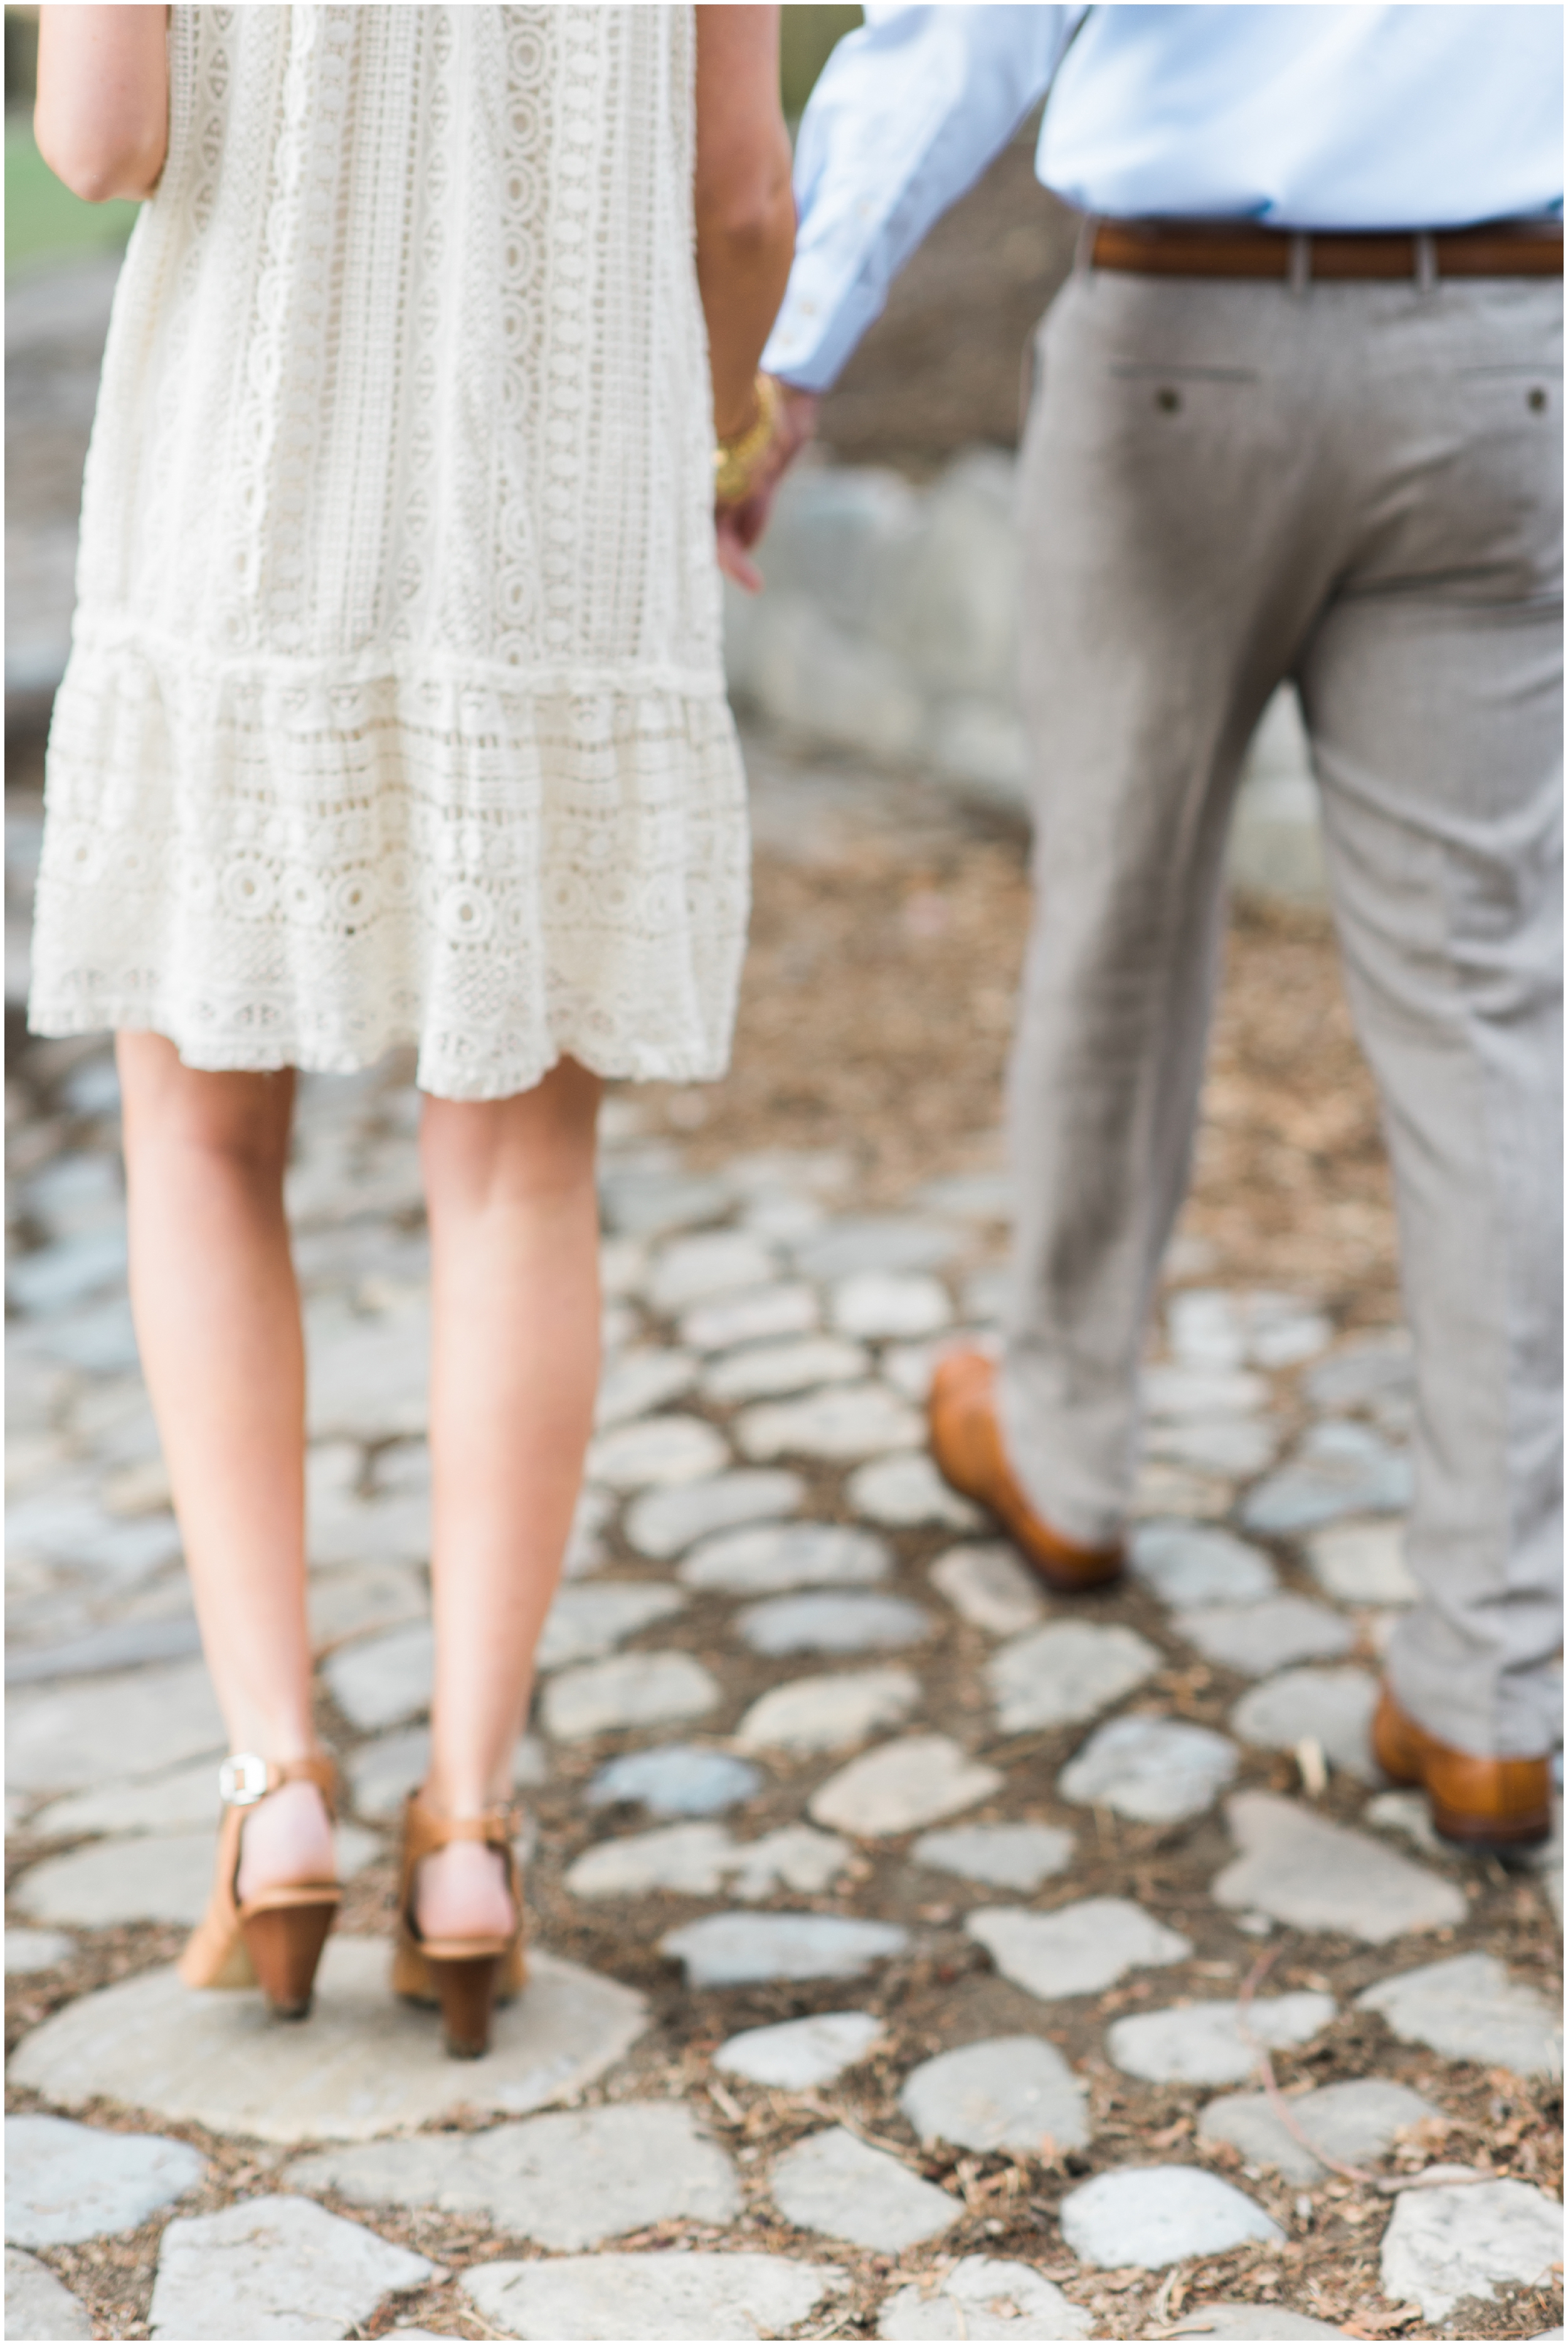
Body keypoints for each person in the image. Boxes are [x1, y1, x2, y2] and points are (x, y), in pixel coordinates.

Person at [29, 3, 793, 2055]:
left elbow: (96, 141)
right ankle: (468, 1824)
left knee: (199, 1137)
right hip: (562, 517)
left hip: (246, 490)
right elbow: (741, 196)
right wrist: (717, 428)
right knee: (521, 1170)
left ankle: (275, 1783)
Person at [725, 4, 1562, 1854]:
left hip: (1181, 347)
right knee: (1489, 1009)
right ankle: (1494, 1682)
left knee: (1115, 913)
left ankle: (1069, 1445)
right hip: (1502, 341)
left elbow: (965, 33)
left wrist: (789, 351)